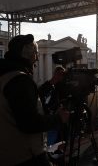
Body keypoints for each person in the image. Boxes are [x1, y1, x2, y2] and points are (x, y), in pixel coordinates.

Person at [0, 34, 69, 166]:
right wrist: (58, 118)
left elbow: (27, 101)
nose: (37, 58)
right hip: (23, 155)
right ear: (27, 54)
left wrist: (52, 82)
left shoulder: (7, 74)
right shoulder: (19, 79)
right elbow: (30, 123)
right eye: (35, 54)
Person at [38, 66, 66, 145]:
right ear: (55, 74)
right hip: (52, 121)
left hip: (60, 121)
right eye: (59, 74)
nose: (61, 76)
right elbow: (41, 92)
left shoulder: (62, 87)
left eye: (62, 74)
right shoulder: (51, 86)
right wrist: (54, 79)